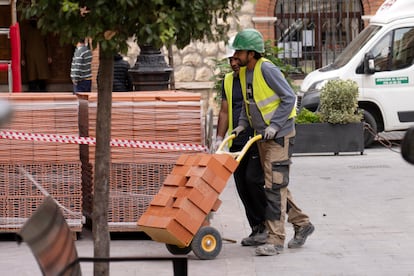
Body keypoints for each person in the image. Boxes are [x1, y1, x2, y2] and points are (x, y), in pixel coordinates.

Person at [231, 28, 314, 256]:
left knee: (274, 187)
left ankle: (276, 240)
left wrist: (275, 125)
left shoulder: (266, 68)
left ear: (252, 52)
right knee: (271, 183)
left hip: (279, 136)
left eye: (240, 50)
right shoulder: (246, 72)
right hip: (261, 136)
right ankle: (303, 224)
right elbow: (250, 104)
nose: (236, 55)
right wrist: (241, 125)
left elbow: (289, 97)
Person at [214, 40, 267, 246]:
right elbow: (225, 110)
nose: (234, 63)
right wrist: (219, 138)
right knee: (242, 185)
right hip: (237, 140)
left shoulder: (251, 76)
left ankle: (267, 224)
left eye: (237, 58)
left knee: (253, 180)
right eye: (231, 59)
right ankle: (256, 228)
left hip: (255, 137)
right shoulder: (228, 80)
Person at [21, 19, 52, 92]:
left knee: (38, 73)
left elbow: (47, 43)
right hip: (33, 55)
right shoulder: (26, 30)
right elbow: (22, 45)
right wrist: (22, 58)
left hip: (39, 55)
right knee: (34, 74)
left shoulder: (42, 29)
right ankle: (36, 88)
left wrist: (49, 55)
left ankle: (40, 88)